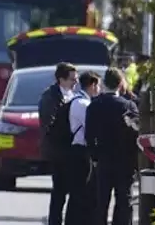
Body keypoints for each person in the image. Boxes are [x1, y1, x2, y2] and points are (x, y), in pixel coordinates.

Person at [86, 67, 139, 225]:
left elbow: (89, 135)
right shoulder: (129, 106)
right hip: (125, 160)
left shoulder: (94, 106)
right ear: (120, 84)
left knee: (101, 201)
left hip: (103, 159)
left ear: (103, 84)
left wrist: (94, 157)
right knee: (124, 201)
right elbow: (135, 135)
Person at [38, 62, 78, 225]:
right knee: (59, 189)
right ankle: (55, 221)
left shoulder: (72, 94)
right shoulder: (50, 96)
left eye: (76, 79)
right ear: (61, 79)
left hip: (70, 150)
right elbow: (49, 123)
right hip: (58, 150)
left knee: (71, 189)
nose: (75, 83)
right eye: (71, 79)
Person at [65, 71, 101, 225]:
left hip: (78, 150)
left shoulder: (78, 100)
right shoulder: (83, 104)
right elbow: (92, 127)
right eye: (98, 85)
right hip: (80, 151)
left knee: (79, 190)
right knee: (81, 190)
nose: (99, 89)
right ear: (92, 85)